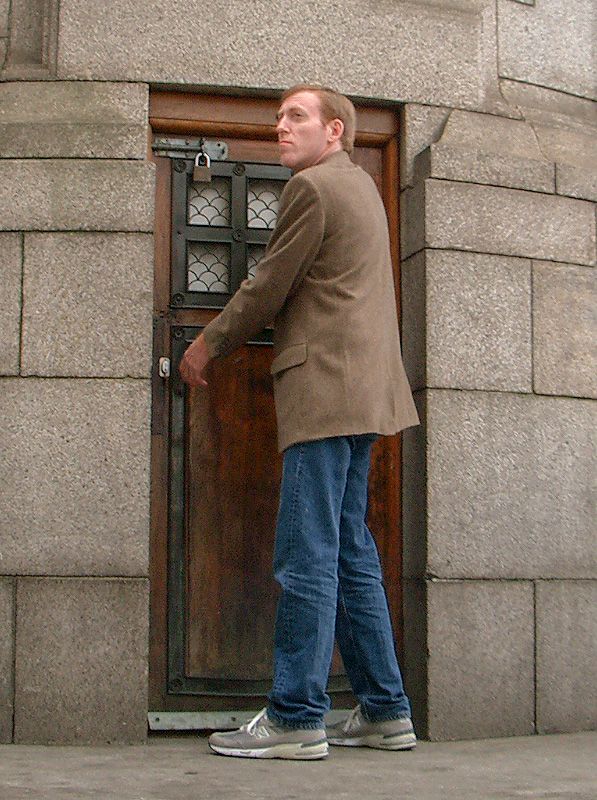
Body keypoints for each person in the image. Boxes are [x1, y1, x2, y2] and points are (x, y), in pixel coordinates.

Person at [180, 84, 420, 760]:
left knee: (307, 555)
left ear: (334, 129)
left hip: (325, 390)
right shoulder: (361, 185)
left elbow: (269, 283)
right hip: (363, 393)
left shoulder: (312, 188)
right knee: (348, 552)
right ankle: (385, 710)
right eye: (279, 117)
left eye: (296, 117)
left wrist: (207, 344)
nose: (280, 127)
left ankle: (294, 716)